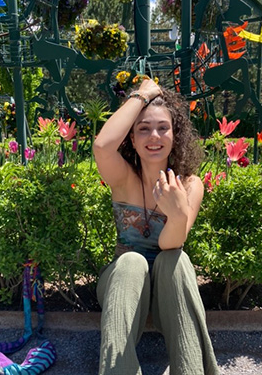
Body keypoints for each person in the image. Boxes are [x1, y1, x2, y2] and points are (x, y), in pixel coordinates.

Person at [93, 78, 219, 375]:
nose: (154, 136)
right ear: (132, 139)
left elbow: (170, 245)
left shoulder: (189, 185)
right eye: (143, 128)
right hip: (123, 289)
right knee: (132, 262)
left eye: (163, 127)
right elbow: (101, 146)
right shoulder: (124, 178)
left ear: (176, 135)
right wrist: (142, 94)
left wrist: (176, 214)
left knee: (176, 259)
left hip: (168, 294)